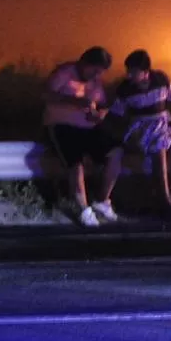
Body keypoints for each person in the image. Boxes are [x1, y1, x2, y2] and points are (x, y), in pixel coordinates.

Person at [42, 46, 123, 226]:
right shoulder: (64, 73)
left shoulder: (96, 81)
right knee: (75, 161)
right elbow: (46, 94)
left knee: (116, 152)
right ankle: (83, 210)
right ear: (85, 63)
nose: (96, 75)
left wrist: (101, 113)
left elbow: (102, 104)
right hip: (63, 126)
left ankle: (102, 201)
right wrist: (74, 101)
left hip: (89, 127)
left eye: (99, 72)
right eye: (94, 70)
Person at [107, 49, 171, 215]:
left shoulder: (161, 80)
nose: (129, 75)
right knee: (159, 146)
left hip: (163, 124)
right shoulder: (125, 89)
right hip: (140, 128)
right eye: (128, 70)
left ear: (145, 72)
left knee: (162, 140)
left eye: (133, 72)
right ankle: (164, 200)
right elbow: (116, 114)